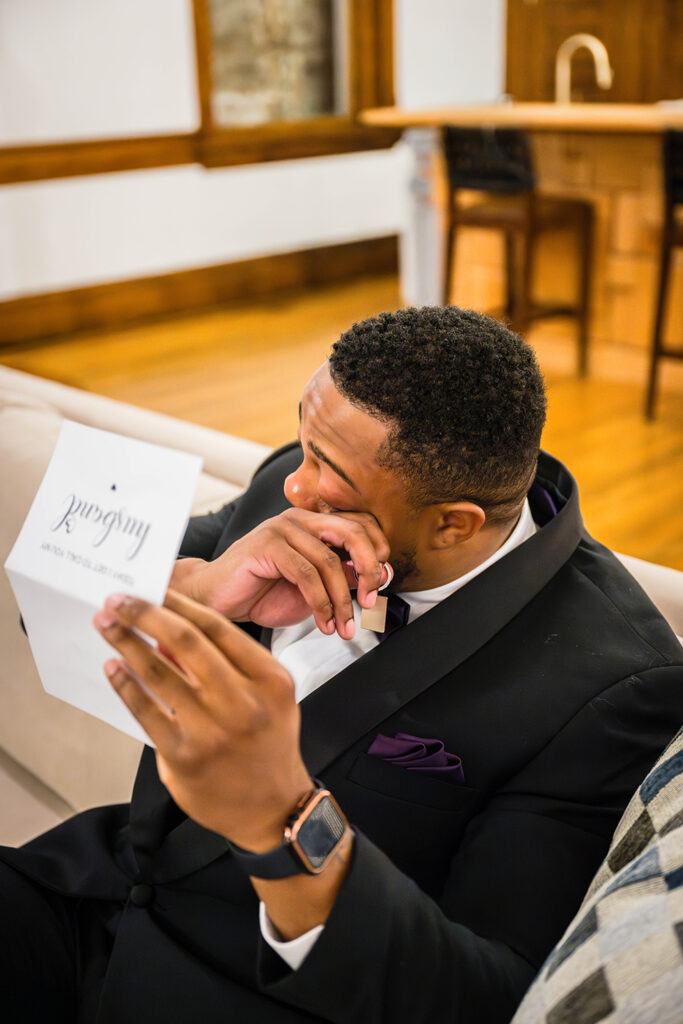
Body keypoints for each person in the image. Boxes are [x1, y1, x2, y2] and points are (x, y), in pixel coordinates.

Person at [1, 306, 682, 1024]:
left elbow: (486, 995)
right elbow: (43, 612)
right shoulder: (286, 485)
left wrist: (283, 820)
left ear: (453, 523)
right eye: (303, 441)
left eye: (326, 470)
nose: (295, 485)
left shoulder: (616, 686)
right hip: (90, 892)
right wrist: (197, 588)